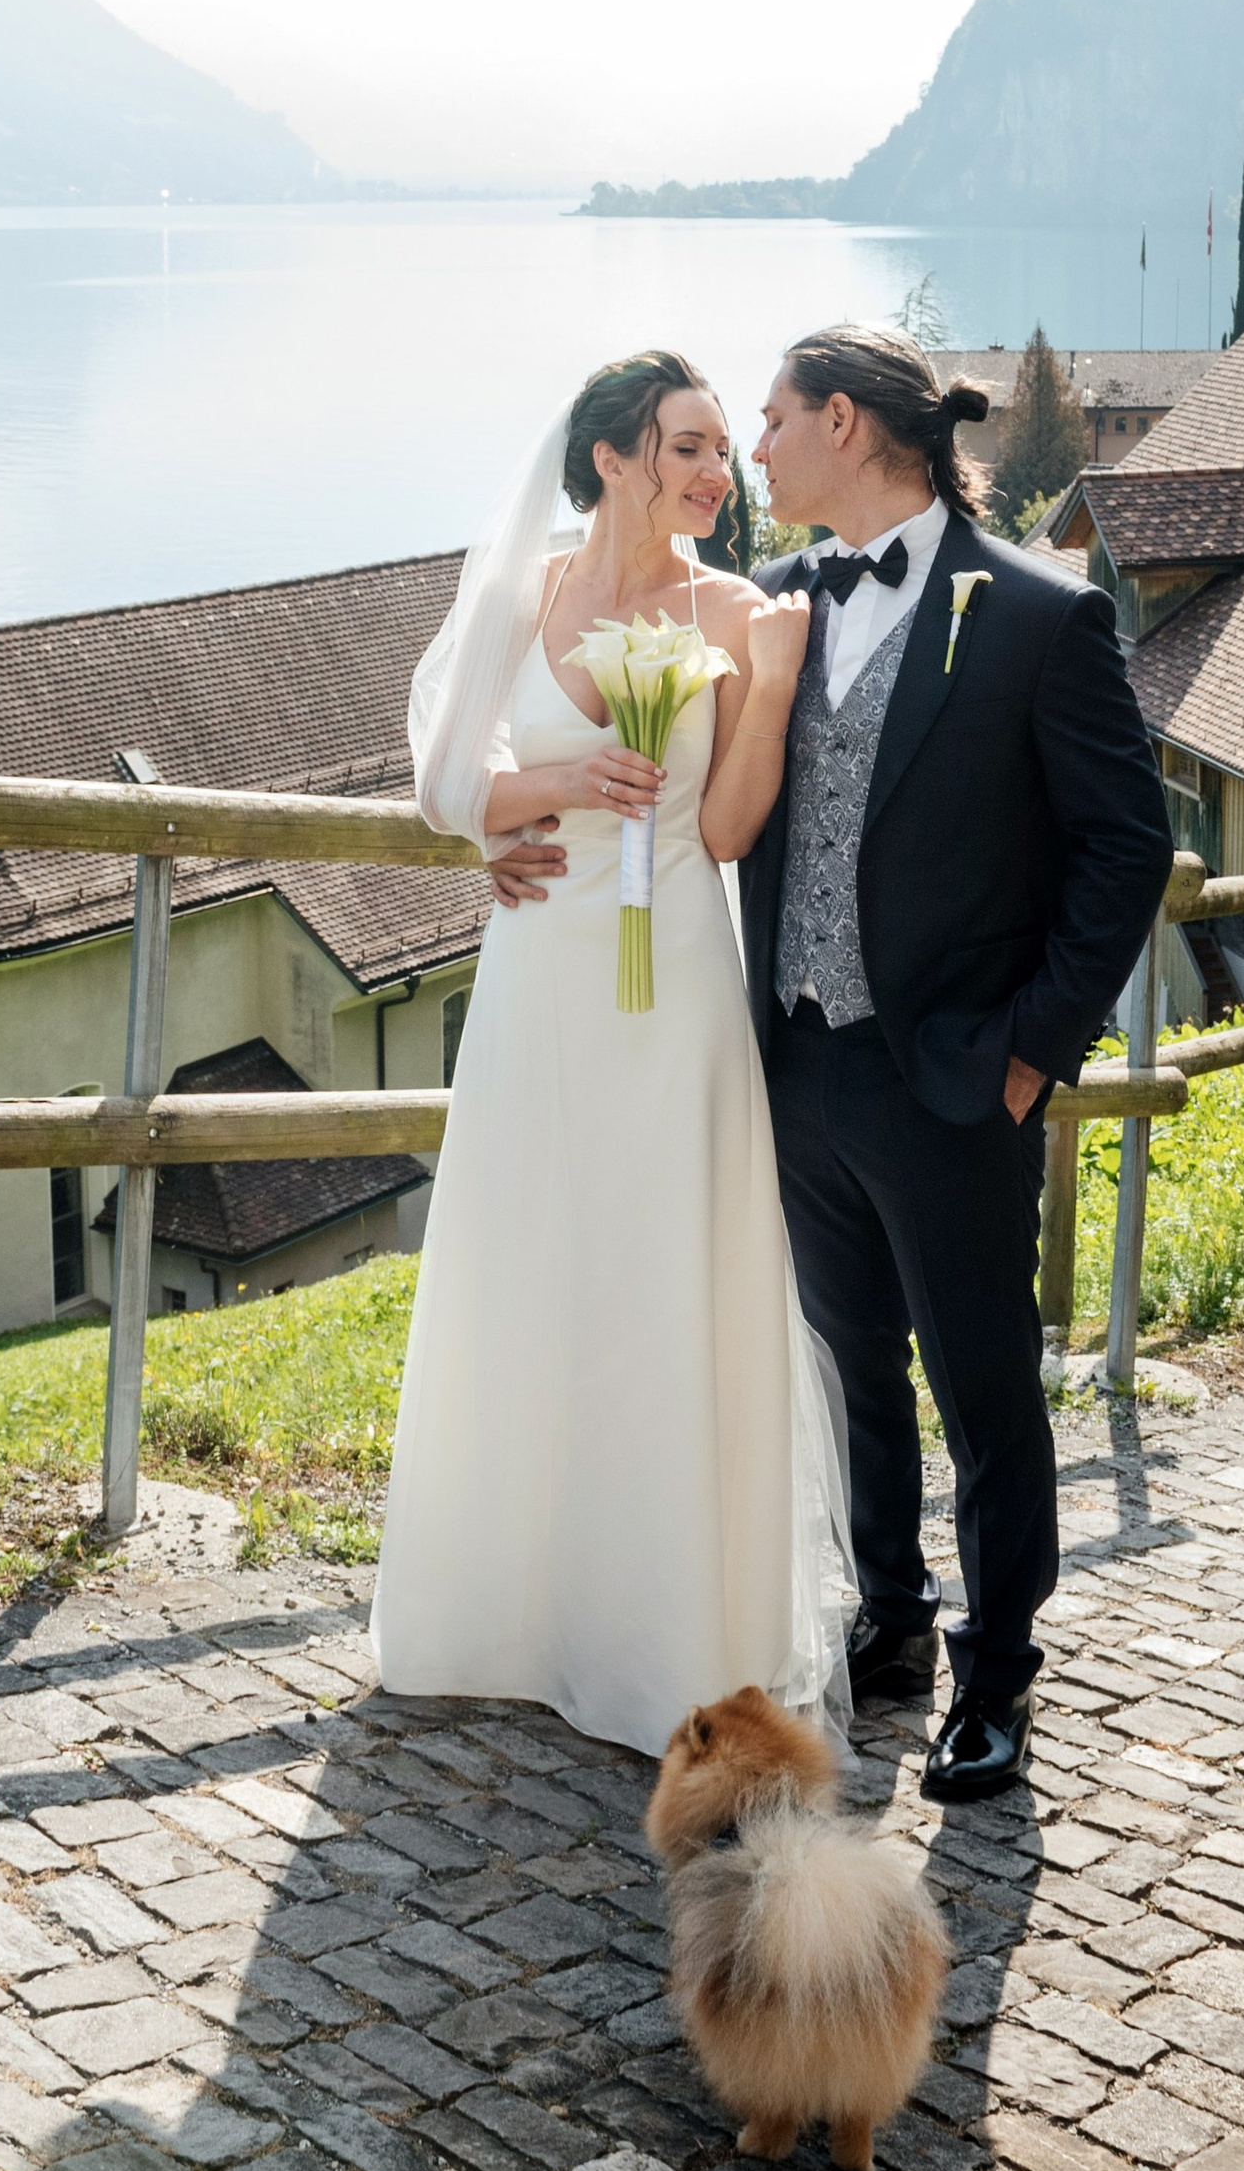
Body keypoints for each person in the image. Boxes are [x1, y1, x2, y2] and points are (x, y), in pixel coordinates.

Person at [371, 349, 856, 1759]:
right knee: (539, 1265)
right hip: (543, 974)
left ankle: (672, 1640)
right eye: (687, 446)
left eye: (721, 448)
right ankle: (510, 1615)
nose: (718, 473)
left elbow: (722, 834)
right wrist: (557, 791)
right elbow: (447, 786)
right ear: (608, 458)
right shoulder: (521, 601)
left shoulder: (739, 610)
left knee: (666, 1275)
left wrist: (761, 694)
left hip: (677, 989)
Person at [742, 322, 1172, 1803]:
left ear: (852, 426)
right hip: (800, 1062)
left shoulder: (1040, 618)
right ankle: (895, 1623)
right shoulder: (774, 602)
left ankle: (998, 1672)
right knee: (852, 1368)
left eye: (776, 418)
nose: (757, 448)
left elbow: (1130, 849)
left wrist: (1028, 1057)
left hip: (955, 1080)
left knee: (982, 1386)